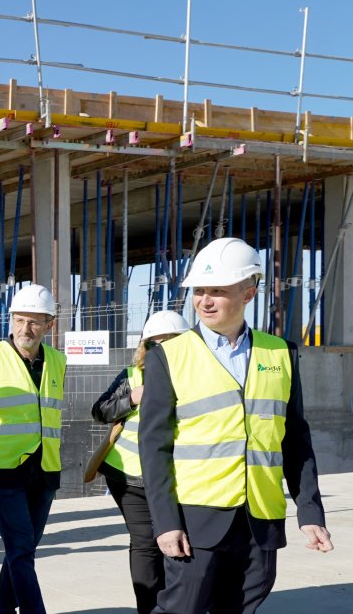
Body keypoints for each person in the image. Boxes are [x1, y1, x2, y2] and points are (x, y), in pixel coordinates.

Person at [139, 237, 333, 613]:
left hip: (260, 518)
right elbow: (154, 446)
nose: (204, 301)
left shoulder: (281, 352)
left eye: (218, 291)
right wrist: (165, 523)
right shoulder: (169, 357)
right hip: (196, 519)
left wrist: (309, 512)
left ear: (249, 293)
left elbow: (294, 440)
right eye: (199, 291)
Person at [0, 283, 65, 614]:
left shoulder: (58, 361)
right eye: (19, 320)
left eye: (34, 322)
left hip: (44, 468)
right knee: (19, 548)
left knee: (24, 548)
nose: (25, 329)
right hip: (3, 471)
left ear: (50, 324)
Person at [91, 310, 189, 614]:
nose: (162, 351)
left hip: (178, 478)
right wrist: (130, 399)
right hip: (128, 477)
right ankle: (149, 607)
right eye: (155, 345)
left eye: (171, 344)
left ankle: (178, 603)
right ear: (145, 346)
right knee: (146, 542)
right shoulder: (132, 375)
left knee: (178, 542)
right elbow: (100, 411)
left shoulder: (198, 378)